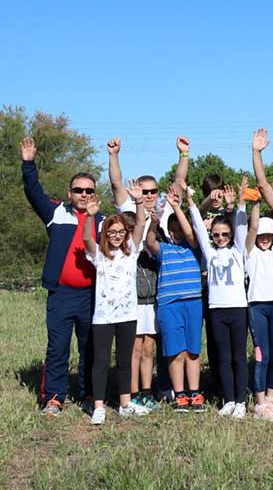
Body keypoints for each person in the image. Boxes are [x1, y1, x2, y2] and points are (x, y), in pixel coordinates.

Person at [21, 137, 103, 417]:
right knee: (57, 348)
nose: (84, 194)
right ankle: (54, 398)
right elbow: (33, 191)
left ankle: (89, 394)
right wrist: (28, 163)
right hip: (61, 294)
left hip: (92, 296)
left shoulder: (102, 221)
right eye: (79, 190)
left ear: (94, 194)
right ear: (70, 193)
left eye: (89, 190)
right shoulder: (55, 213)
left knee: (90, 348)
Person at [108, 136, 176, 411]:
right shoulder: (128, 210)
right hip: (132, 294)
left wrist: (183, 155)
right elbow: (116, 184)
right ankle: (132, 393)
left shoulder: (163, 213)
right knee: (134, 347)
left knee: (149, 347)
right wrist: (114, 156)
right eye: (144, 191)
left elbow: (179, 182)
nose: (148, 196)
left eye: (152, 191)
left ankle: (147, 392)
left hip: (155, 293)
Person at [82, 183, 152, 424]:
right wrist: (89, 216)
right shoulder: (99, 255)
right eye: (111, 232)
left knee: (124, 361)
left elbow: (140, 225)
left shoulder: (131, 252)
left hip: (127, 315)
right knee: (101, 361)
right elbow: (86, 238)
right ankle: (99, 407)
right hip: (103, 317)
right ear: (105, 234)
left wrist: (139, 201)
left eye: (120, 232)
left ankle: (125, 404)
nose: (116, 236)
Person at [189, 180, 250, 419]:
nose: (220, 237)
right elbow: (198, 226)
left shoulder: (237, 250)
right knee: (223, 357)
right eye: (216, 234)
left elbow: (242, 227)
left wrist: (241, 202)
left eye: (225, 234)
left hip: (238, 309)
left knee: (238, 357)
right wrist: (190, 202)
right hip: (216, 309)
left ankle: (241, 401)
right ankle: (229, 399)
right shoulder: (210, 251)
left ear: (231, 234)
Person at [145, 184, 206, 413]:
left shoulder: (194, 247)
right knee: (175, 351)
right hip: (169, 305)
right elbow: (149, 242)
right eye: (173, 230)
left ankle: (195, 393)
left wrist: (176, 207)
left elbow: (190, 234)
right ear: (168, 231)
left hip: (193, 302)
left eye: (180, 229)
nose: (177, 233)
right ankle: (179, 394)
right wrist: (154, 223)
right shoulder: (164, 249)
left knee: (192, 352)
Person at [245, 177, 273, 421]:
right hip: (257, 307)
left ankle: (270, 398)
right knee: (261, 355)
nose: (264, 238)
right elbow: (252, 228)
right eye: (262, 235)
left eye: (268, 235)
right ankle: (260, 403)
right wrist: (256, 203)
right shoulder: (250, 252)